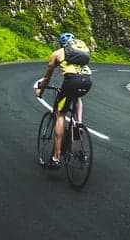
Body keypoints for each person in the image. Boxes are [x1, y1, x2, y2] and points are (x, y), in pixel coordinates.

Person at [35, 32, 92, 168]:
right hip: (88, 80)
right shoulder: (80, 53)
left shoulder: (57, 54)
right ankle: (78, 124)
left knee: (60, 114)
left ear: (61, 44)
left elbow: (47, 78)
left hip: (72, 81)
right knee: (76, 97)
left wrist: (40, 91)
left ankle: (56, 158)